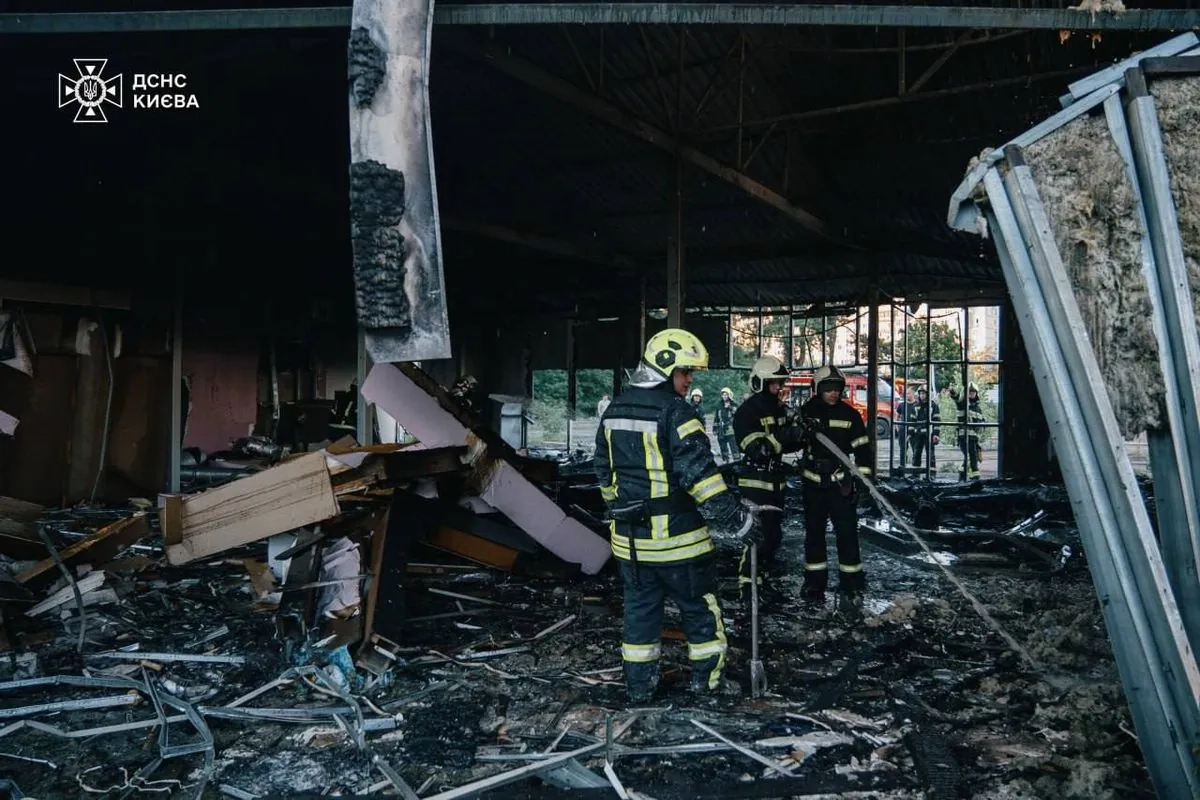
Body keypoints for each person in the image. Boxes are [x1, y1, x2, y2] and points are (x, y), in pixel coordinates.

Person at [593, 328, 762, 704]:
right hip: (680, 543)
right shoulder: (676, 412)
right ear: (665, 368)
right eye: (686, 372)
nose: (690, 380)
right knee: (700, 612)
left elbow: (604, 475)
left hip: (631, 545)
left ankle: (639, 688)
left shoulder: (614, 410)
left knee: (639, 615)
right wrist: (738, 521)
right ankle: (707, 683)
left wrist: (620, 508)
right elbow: (700, 477)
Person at [798, 365, 873, 606]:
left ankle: (852, 583)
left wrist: (862, 482)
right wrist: (800, 430)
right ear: (817, 389)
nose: (833, 393)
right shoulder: (806, 412)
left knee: (847, 533)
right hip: (813, 485)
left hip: (841, 484)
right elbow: (789, 440)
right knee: (814, 534)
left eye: (837, 389)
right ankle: (814, 584)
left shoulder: (850, 415)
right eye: (827, 388)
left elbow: (862, 451)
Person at [733, 356, 807, 603]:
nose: (779, 388)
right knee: (756, 536)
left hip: (776, 481)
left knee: (773, 536)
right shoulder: (747, 412)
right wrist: (786, 435)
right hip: (755, 482)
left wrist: (802, 433)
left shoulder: (778, 408)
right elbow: (757, 449)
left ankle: (761, 580)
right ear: (759, 382)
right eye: (774, 383)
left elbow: (787, 443)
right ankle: (747, 588)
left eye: (780, 383)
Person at [949, 383, 985, 480]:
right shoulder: (962, 404)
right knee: (971, 457)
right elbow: (956, 399)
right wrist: (952, 391)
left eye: (973, 392)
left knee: (971, 457)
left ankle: (962, 476)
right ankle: (975, 477)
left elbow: (982, 423)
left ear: (976, 393)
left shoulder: (978, 408)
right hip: (963, 437)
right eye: (970, 391)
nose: (972, 394)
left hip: (974, 438)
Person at [908, 386, 940, 474]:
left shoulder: (933, 406)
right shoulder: (916, 406)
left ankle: (932, 474)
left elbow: (937, 421)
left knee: (930, 454)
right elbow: (912, 420)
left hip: (929, 435)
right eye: (921, 393)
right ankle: (915, 474)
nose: (922, 395)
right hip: (918, 434)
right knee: (916, 453)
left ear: (928, 394)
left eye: (924, 393)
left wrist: (936, 434)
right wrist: (910, 433)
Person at [714, 388, 738, 463]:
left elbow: (738, 413)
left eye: (726, 394)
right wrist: (715, 428)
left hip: (730, 428)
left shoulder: (734, 404)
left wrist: (730, 407)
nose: (724, 396)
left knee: (734, 446)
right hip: (721, 428)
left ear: (729, 395)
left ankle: (737, 461)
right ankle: (725, 460)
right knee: (722, 445)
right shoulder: (719, 405)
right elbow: (716, 417)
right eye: (723, 395)